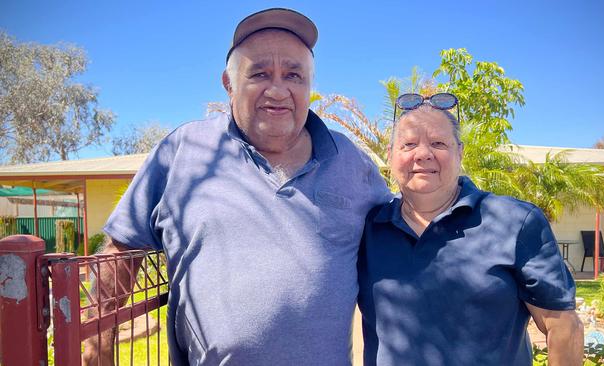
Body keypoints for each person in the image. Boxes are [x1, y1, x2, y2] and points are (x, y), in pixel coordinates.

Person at [83, 8, 389, 366]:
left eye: (294, 75)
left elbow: (404, 232)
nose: (278, 90)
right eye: (260, 73)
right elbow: (122, 248)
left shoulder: (352, 163)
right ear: (229, 84)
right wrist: (97, 348)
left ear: (309, 85)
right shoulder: (183, 151)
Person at [357, 93, 584, 365]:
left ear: (460, 153)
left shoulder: (516, 221)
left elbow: (563, 327)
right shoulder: (367, 229)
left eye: (438, 143)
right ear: (391, 156)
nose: (423, 154)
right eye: (408, 144)